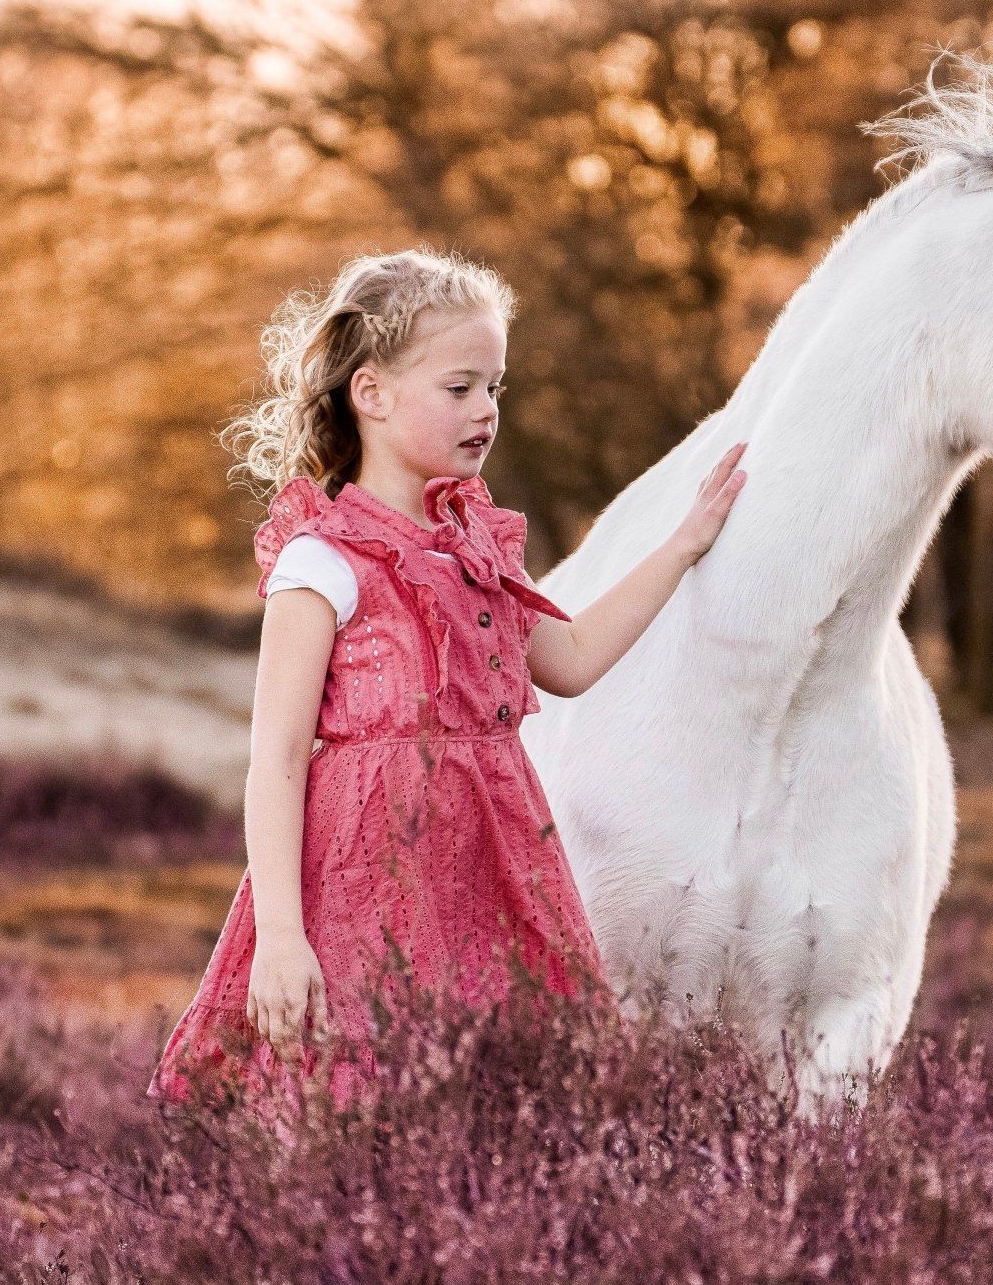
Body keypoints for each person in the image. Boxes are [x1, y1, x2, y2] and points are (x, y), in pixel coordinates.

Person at [146, 247, 746, 1116]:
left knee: (509, 1106)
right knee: (358, 1105)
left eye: (494, 387)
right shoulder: (323, 561)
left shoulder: (476, 548)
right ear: (372, 393)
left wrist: (682, 546)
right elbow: (276, 758)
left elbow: (572, 659)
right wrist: (280, 932)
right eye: (459, 387)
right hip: (365, 885)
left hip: (496, 873)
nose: (486, 410)